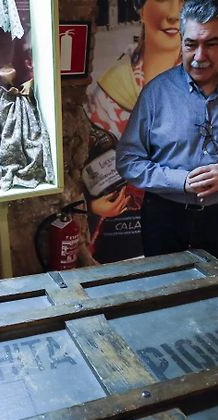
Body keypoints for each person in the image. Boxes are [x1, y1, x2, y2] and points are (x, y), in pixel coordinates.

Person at [115, 0, 218, 269]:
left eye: (211, 43)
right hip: (163, 216)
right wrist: (181, 181)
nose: (199, 56)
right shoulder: (156, 93)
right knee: (163, 292)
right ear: (181, 40)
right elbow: (128, 161)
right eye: (191, 44)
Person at [83, 0, 183, 264]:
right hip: (117, 236)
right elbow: (87, 168)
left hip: (176, 227)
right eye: (163, 0)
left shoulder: (201, 87)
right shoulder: (107, 94)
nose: (174, 14)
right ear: (140, 7)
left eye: (184, 1)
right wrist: (92, 206)